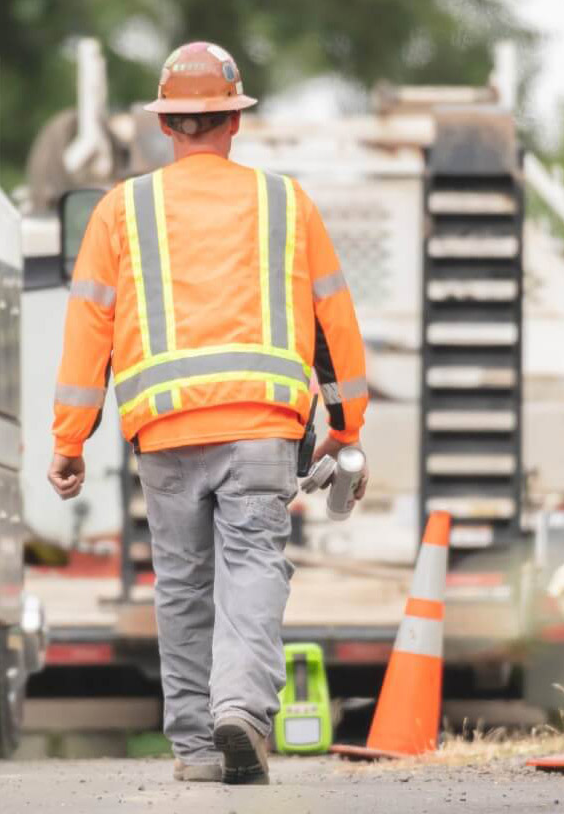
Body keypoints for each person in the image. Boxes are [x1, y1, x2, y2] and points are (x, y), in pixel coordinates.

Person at [47, 41, 370, 785]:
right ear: (233, 121)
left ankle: (195, 748)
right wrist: (347, 429)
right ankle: (242, 713)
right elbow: (335, 326)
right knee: (254, 565)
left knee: (183, 584)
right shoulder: (288, 203)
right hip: (261, 427)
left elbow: (87, 331)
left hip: (163, 434)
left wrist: (68, 442)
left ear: (167, 125)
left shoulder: (119, 209)